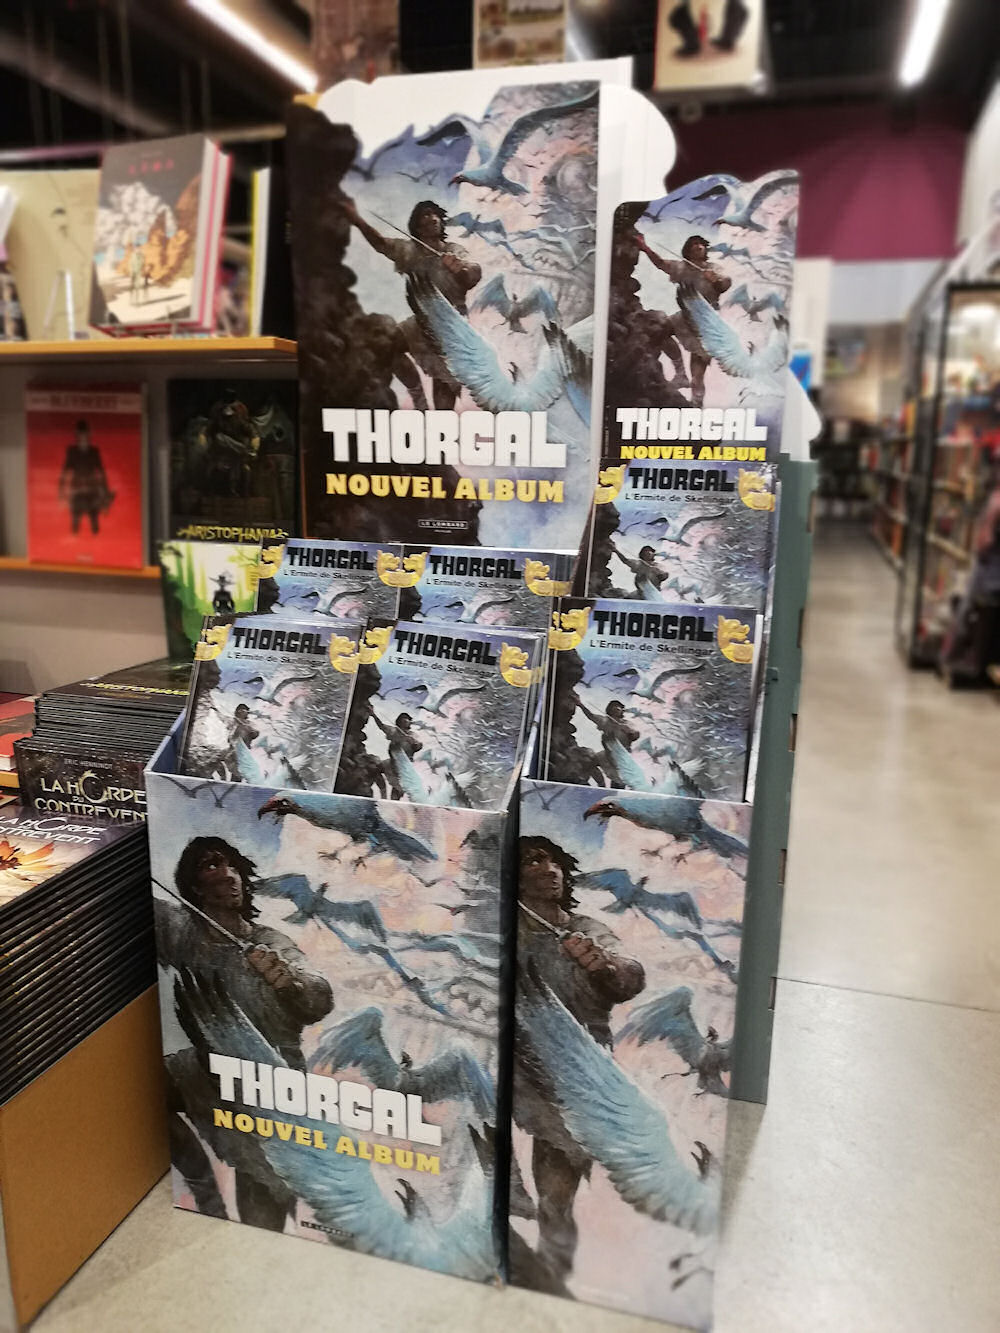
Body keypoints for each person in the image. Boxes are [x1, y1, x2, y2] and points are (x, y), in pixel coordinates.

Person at [156, 837, 334, 1230]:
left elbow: (319, 997)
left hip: (269, 1079)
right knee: (145, 1087)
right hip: (207, 1070)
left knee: (264, 1186)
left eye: (232, 865)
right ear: (195, 885)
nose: (228, 874)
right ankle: (206, 1195)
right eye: (212, 865)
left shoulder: (270, 942)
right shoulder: (185, 934)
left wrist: (289, 982)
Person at [514, 836, 645, 1283]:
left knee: (555, 1196)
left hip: (575, 1075)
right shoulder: (501, 922)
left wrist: (603, 966)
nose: (549, 870)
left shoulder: (587, 929)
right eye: (534, 861)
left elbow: (630, 977)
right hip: (515, 1063)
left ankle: (552, 1274)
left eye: (554, 862)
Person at [340, 197, 482, 409]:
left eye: (435, 214)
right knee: (384, 345)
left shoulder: (454, 250)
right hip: (421, 324)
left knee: (444, 397)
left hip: (451, 330)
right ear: (417, 226)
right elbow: (380, 243)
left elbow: (473, 274)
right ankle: (418, 396)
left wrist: (460, 268)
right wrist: (357, 220)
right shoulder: (409, 251)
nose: (432, 218)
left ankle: (440, 424)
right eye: (425, 214)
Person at [638, 233, 731, 406]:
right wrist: (645, 248)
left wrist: (715, 281)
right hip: (684, 318)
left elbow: (725, 284)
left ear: (705, 249)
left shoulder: (714, 268)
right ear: (687, 250)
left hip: (705, 326)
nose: (698, 246)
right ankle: (680, 372)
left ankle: (697, 405)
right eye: (694, 244)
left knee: (697, 377)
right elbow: (661, 263)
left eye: (701, 244)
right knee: (659, 328)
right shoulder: (682, 268)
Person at [573, 694, 642, 789]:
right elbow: (591, 716)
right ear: (609, 710)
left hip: (620, 758)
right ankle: (601, 784)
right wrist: (580, 704)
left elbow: (635, 735)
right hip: (607, 754)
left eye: (618, 708)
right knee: (588, 761)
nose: (615, 710)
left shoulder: (627, 724)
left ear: (621, 711)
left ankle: (613, 792)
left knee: (618, 783)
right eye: (613, 708)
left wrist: (629, 731)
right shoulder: (605, 721)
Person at [58, 419, 112, 535]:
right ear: (76, 435)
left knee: (95, 525)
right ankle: (74, 538)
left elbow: (101, 473)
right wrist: (61, 493)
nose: (83, 436)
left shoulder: (94, 451)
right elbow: (64, 473)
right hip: (77, 491)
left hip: (92, 491)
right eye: (80, 434)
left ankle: (96, 540)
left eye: (85, 433)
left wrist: (105, 496)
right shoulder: (72, 451)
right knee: (75, 525)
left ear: (89, 434)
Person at [368, 708, 424, 801]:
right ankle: (383, 795)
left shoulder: (413, 735)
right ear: (399, 722)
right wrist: (373, 715)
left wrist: (413, 742)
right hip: (391, 764)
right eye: (403, 719)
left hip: (403, 769)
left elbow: (418, 746)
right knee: (375, 768)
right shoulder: (394, 731)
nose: (406, 721)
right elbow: (381, 726)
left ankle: (391, 803)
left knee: (396, 793)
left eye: (407, 720)